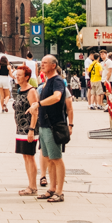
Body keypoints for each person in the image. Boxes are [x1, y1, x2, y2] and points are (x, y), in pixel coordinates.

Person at [34, 55, 73, 202]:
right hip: (44, 125)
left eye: (44, 63)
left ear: (53, 65)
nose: (41, 65)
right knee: (49, 158)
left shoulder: (57, 81)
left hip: (53, 125)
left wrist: (39, 104)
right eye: (41, 63)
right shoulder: (47, 81)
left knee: (56, 158)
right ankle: (52, 188)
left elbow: (57, 97)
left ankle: (59, 192)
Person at [12, 63, 41, 195]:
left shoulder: (31, 91)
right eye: (16, 75)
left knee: (30, 156)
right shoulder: (19, 90)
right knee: (25, 157)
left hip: (28, 128)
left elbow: (35, 111)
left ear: (27, 77)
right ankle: (30, 185)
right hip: (20, 128)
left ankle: (33, 187)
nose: (17, 77)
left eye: (19, 75)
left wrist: (31, 129)